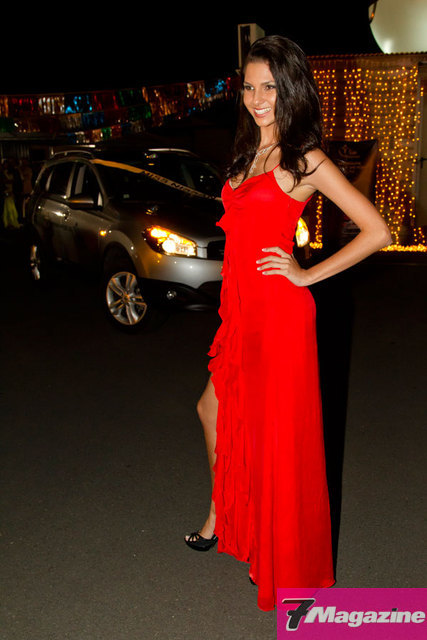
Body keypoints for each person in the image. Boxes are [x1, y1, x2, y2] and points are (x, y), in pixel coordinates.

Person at [184, 35, 392, 612]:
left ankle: (278, 559)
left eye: (269, 88)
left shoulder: (306, 159)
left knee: (276, 441)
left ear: (290, 89)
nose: (257, 99)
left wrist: (306, 275)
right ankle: (224, 512)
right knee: (212, 411)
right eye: (249, 87)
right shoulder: (247, 152)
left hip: (279, 314)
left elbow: (377, 231)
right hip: (241, 312)